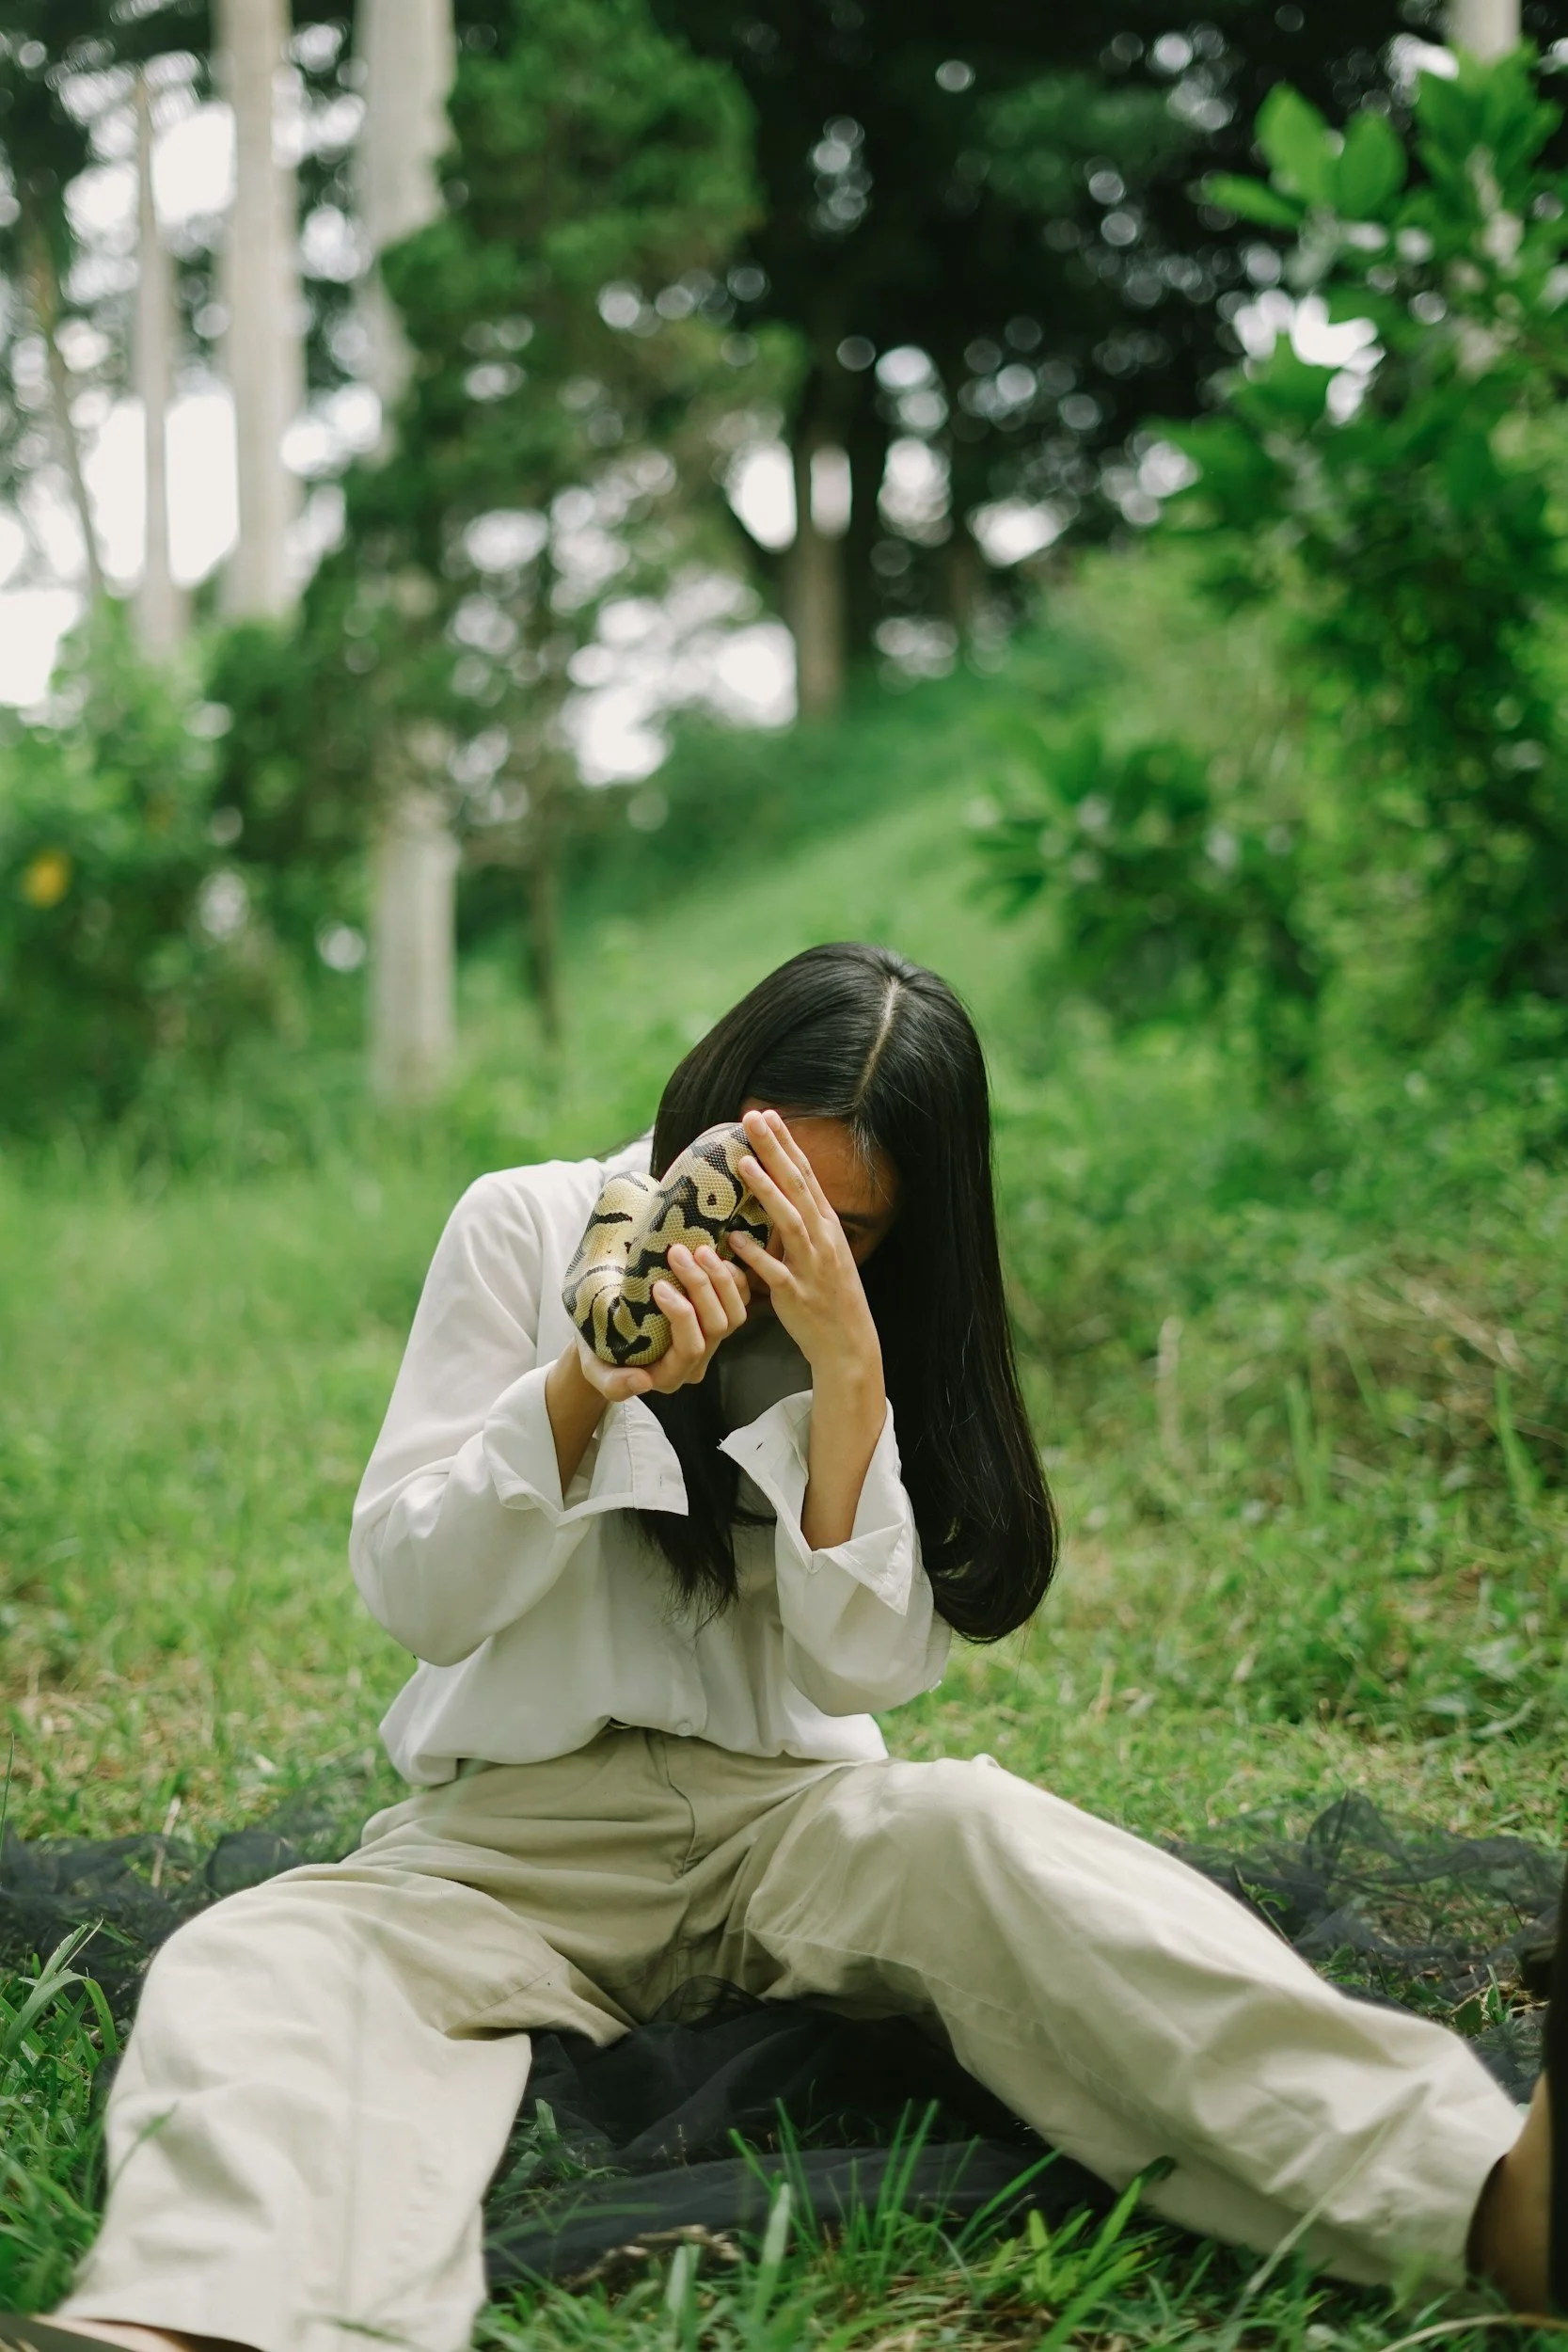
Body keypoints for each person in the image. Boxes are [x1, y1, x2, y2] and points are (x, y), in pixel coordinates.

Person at [26, 943, 1556, 2352]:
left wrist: (843, 1374)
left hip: (786, 1821)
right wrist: (586, 1387)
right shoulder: (527, 1222)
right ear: (706, 1111)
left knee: (979, 1828)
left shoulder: (869, 1317)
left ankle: (1485, 2200)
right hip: (510, 1846)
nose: (771, 1234)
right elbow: (419, 1595)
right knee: (268, 1956)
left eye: (846, 1218)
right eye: (757, 1178)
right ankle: (197, 2325)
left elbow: (861, 1675)